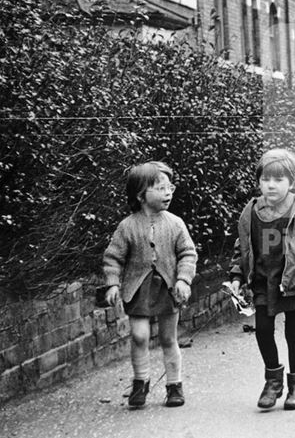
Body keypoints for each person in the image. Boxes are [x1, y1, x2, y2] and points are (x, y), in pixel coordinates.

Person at [229, 149, 295, 411]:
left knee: (293, 333)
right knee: (262, 330)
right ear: (258, 181)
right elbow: (242, 247)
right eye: (265, 179)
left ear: (292, 181)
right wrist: (237, 277)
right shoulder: (251, 211)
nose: (271, 185)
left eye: (279, 179)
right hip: (264, 281)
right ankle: (273, 381)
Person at [103, 161, 197, 409]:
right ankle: (140, 382)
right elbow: (113, 257)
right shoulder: (127, 226)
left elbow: (188, 253)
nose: (168, 193)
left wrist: (183, 280)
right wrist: (112, 284)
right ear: (140, 194)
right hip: (138, 290)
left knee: (168, 338)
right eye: (160, 188)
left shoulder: (175, 223)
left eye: (170, 187)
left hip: (168, 289)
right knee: (139, 336)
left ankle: (174, 385)